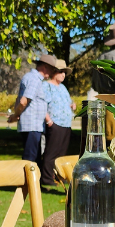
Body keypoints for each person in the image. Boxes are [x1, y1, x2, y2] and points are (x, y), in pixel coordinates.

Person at [9, 54, 56, 164]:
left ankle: (32, 181)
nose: (52, 73)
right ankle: (27, 181)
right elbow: (23, 101)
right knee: (30, 159)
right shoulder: (34, 79)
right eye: (52, 69)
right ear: (45, 67)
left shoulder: (31, 77)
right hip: (32, 125)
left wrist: (16, 115)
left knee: (33, 158)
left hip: (33, 125)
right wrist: (16, 115)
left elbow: (20, 100)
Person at [41, 59, 74, 187]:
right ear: (54, 72)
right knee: (51, 153)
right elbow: (43, 104)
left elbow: (68, 102)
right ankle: (47, 178)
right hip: (55, 124)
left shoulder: (63, 88)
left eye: (65, 72)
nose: (63, 75)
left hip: (66, 124)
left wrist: (72, 105)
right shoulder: (47, 86)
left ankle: (59, 176)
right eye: (61, 72)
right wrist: (49, 121)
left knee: (61, 153)